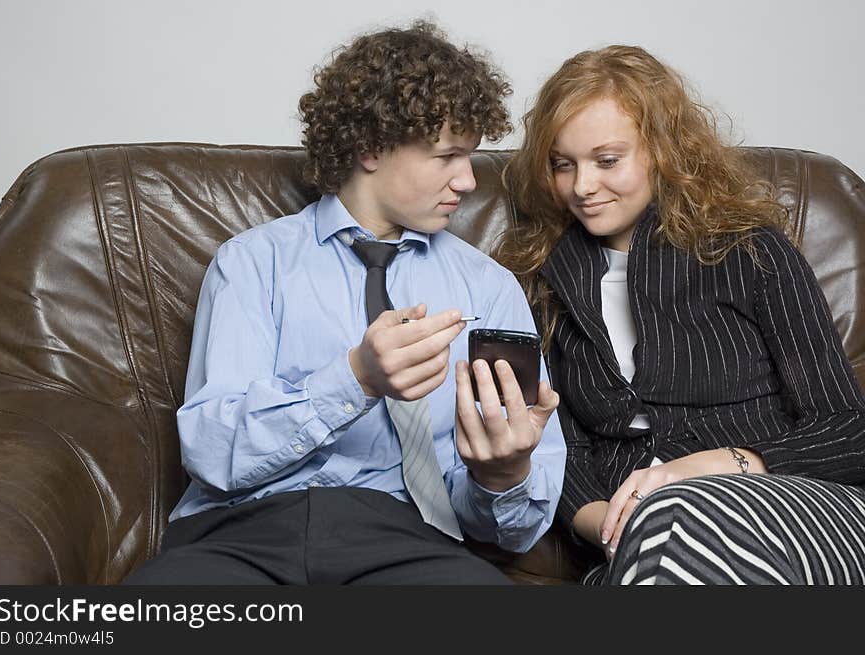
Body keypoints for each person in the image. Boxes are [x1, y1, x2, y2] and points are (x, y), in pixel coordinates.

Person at [123, 21, 565, 585]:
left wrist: (502, 475)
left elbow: (509, 528)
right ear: (370, 147)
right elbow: (213, 452)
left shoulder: (487, 285)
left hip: (405, 542)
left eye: (470, 157)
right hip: (240, 538)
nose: (468, 181)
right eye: (448, 155)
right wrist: (355, 379)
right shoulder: (253, 264)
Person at [496, 44, 865, 584]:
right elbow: (561, 450)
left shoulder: (751, 251)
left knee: (675, 520)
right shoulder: (540, 280)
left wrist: (718, 465)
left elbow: (848, 428)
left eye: (607, 160)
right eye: (562, 165)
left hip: (796, 503)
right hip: (646, 539)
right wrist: (607, 522)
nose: (582, 186)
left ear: (661, 150)